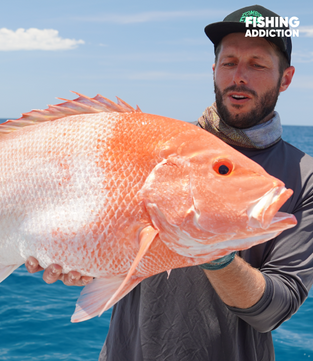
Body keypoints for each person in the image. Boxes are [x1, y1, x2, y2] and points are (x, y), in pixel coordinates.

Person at [26, 5, 313, 360]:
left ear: (285, 78)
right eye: (229, 62)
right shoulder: (160, 149)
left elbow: (275, 308)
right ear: (214, 70)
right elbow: (105, 240)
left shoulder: (303, 176)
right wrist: (81, 259)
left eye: (257, 64)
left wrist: (214, 253)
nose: (240, 76)